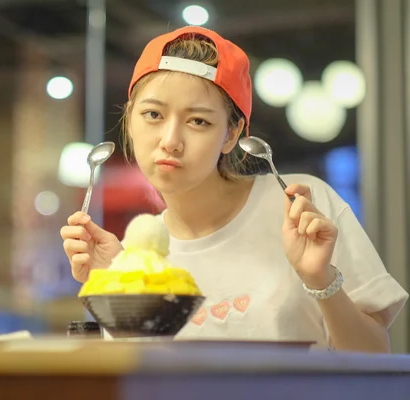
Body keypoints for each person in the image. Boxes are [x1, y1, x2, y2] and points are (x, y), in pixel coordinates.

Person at [60, 26, 408, 352]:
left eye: (199, 121)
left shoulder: (300, 208)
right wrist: (115, 283)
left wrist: (319, 278)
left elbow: (375, 357)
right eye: (153, 115)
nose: (170, 141)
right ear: (130, 119)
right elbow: (145, 379)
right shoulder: (137, 262)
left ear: (231, 134)